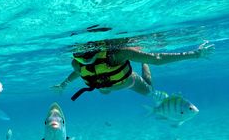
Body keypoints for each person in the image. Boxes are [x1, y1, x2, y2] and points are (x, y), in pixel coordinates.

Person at [52, 39, 214, 101]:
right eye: (81, 54)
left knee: (150, 90)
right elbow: (79, 73)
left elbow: (157, 59)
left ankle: (142, 63)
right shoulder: (76, 64)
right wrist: (63, 84)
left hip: (128, 82)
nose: (86, 57)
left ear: (97, 48)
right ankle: (140, 61)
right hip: (105, 87)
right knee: (105, 91)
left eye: (89, 52)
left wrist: (195, 54)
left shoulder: (117, 54)